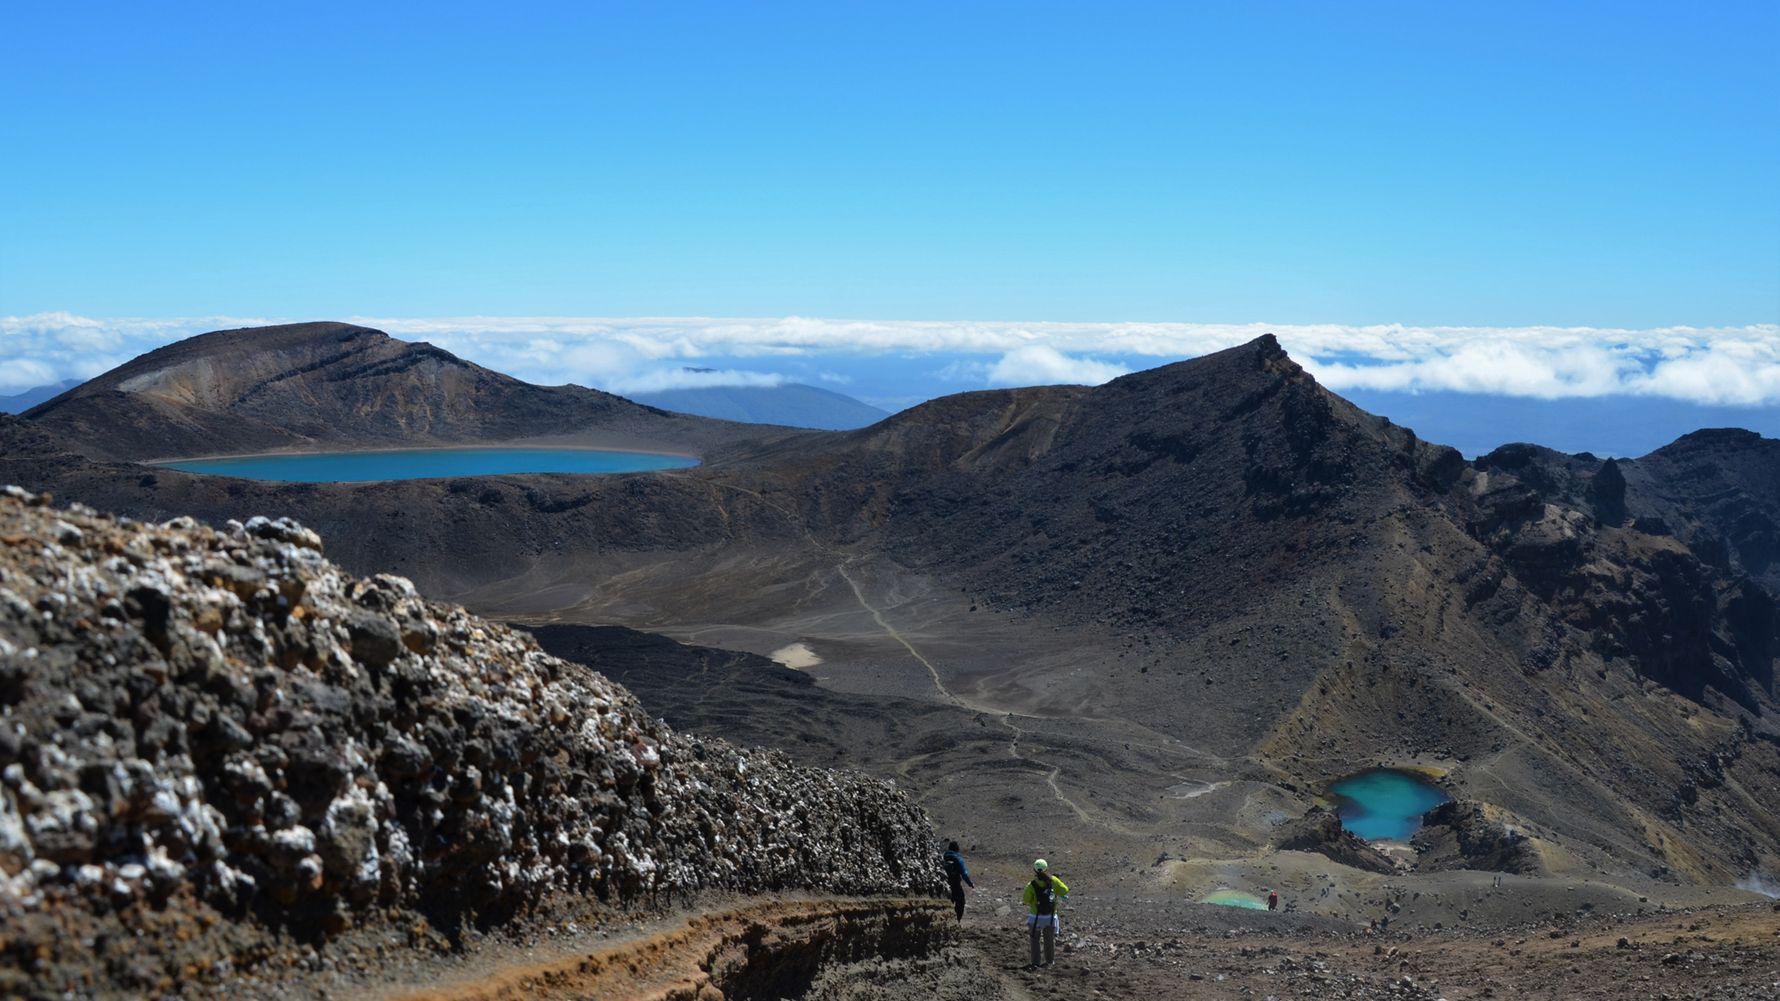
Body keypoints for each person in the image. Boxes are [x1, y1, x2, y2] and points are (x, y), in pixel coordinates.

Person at [1022, 858, 1068, 970]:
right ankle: (1049, 961)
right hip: (1050, 917)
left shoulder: (1031, 885)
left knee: (1034, 940)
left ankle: (1035, 963)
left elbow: (1026, 899)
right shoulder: (1053, 881)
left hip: (1035, 917)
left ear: (1034, 870)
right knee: (1049, 940)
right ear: (1047, 868)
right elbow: (1065, 890)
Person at [942, 841, 974, 920]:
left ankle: (946, 918)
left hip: (944, 883)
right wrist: (970, 883)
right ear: (957, 849)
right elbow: (964, 873)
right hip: (955, 883)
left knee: (949, 900)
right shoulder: (958, 858)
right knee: (960, 901)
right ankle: (957, 920)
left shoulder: (943, 857)